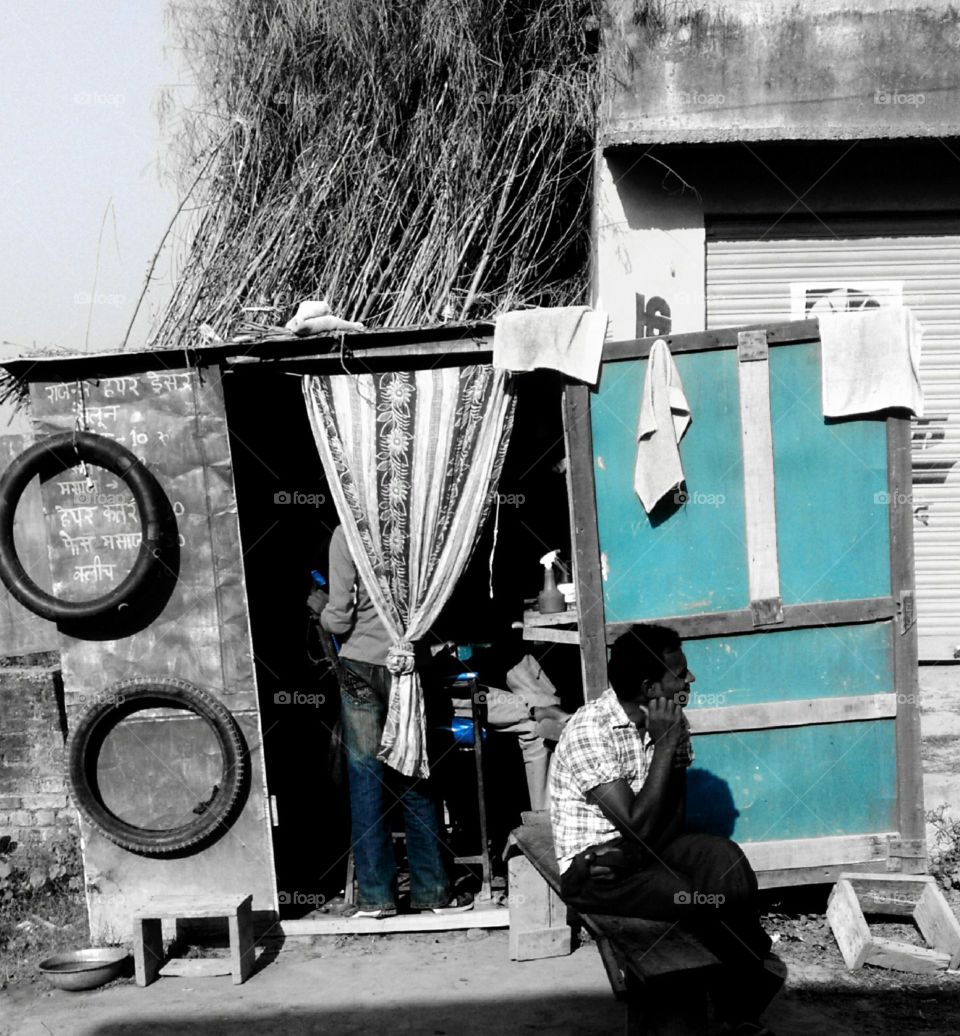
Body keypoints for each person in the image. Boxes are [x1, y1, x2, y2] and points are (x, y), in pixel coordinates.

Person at [549, 623, 785, 1036]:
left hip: (642, 850)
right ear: (648, 687)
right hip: (594, 870)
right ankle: (745, 983)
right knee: (691, 896)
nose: (690, 679)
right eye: (680, 672)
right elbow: (634, 822)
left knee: (726, 861)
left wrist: (638, 852)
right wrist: (664, 743)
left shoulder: (673, 720)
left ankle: (739, 1002)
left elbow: (673, 816)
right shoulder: (592, 729)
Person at [310, 525, 472, 918]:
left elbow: (339, 619)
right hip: (410, 667)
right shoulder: (418, 526)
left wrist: (320, 608)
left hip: (360, 666)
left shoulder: (346, 533)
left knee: (366, 777)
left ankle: (376, 898)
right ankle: (433, 891)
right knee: (414, 769)